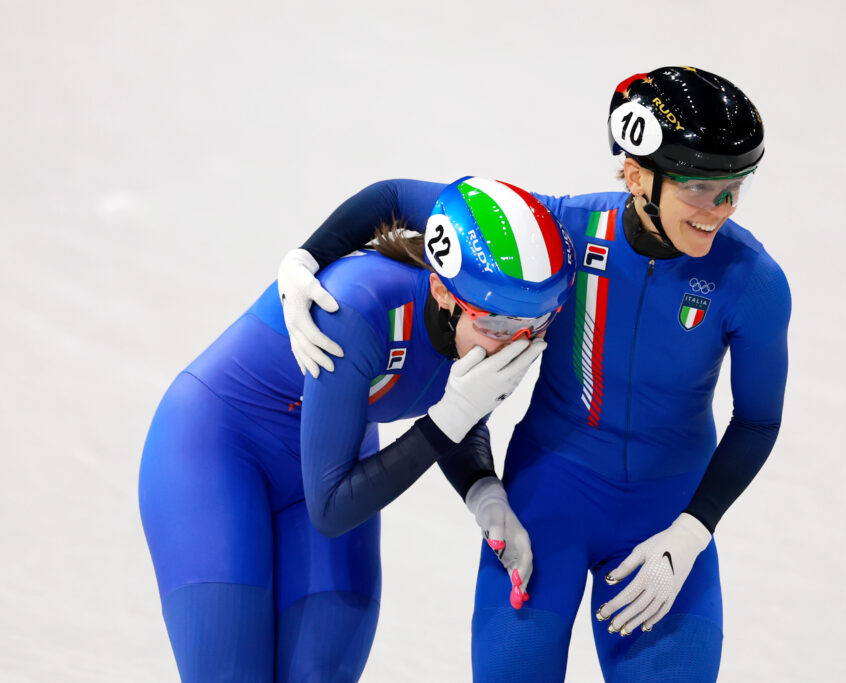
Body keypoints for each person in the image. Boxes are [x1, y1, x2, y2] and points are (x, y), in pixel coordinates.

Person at [278, 66, 790, 682]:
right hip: (549, 499)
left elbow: (757, 421)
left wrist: (693, 530)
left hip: (668, 513)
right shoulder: (562, 231)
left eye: (734, 189)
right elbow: (393, 198)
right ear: (636, 175)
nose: (720, 211)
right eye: (701, 189)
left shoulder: (753, 281)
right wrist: (305, 258)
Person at [138, 177, 576, 682]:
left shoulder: (489, 299)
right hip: (215, 452)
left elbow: (457, 403)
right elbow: (332, 508)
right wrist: (306, 257)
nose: (516, 344)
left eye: (536, 326)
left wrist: (482, 489)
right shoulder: (357, 308)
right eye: (500, 327)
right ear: (443, 290)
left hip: (332, 455)